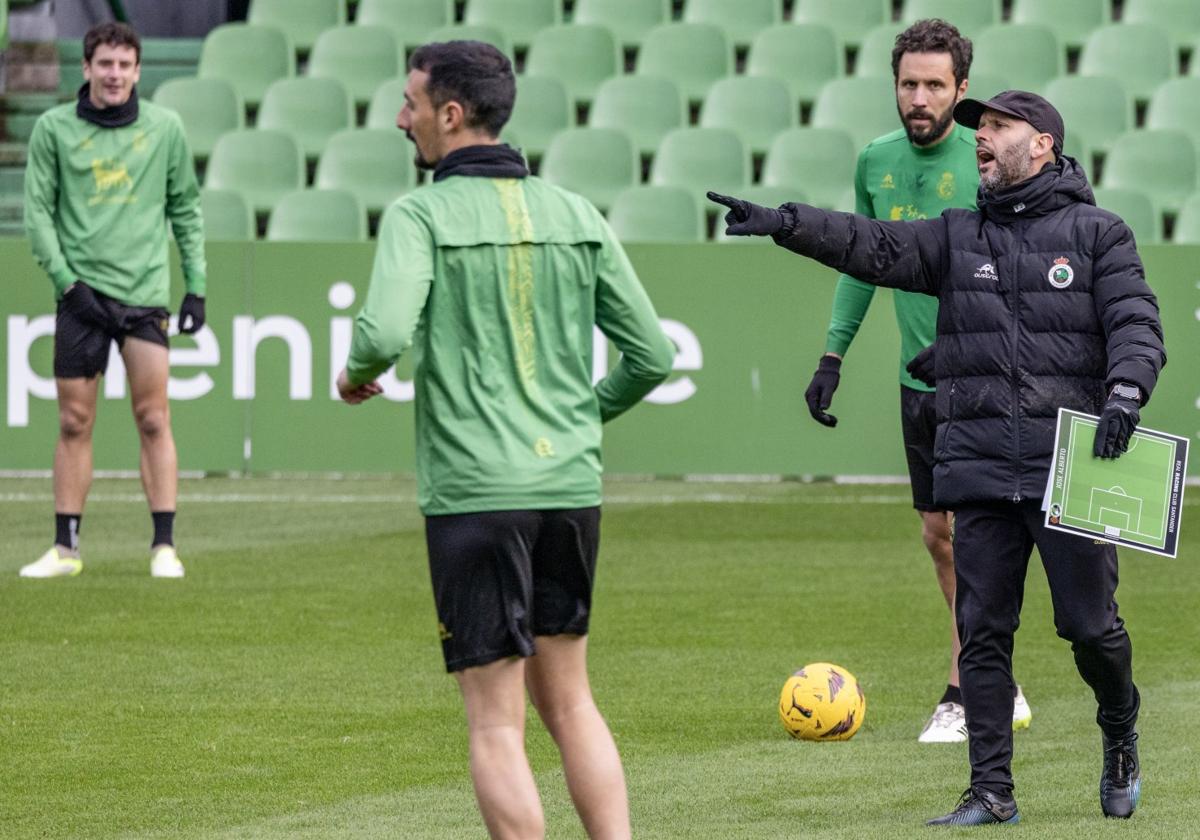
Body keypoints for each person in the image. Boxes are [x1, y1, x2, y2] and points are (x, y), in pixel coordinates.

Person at [709, 89, 1165, 825]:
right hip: (980, 461)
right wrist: (785, 224)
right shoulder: (957, 235)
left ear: (1042, 144)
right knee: (981, 635)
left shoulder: (1098, 234)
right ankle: (991, 790)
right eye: (976, 128)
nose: (978, 137)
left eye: (995, 127)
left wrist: (1125, 393)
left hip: (1067, 465)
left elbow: (1136, 322)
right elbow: (872, 246)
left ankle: (1119, 728)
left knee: (1090, 628)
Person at [335, 40, 674, 840]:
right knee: (571, 699)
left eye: (410, 103)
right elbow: (652, 356)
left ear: (449, 116)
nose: (400, 117)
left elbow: (382, 330)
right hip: (569, 490)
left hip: (476, 493)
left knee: (495, 722)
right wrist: (579, 420)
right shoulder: (574, 211)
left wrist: (355, 373)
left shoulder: (420, 214)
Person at [802, 18, 1030, 743]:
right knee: (939, 533)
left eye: (936, 84)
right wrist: (832, 355)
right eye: (909, 84)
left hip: (991, 379)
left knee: (980, 533)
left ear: (963, 90)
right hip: (919, 381)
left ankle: (969, 687)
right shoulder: (876, 163)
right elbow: (862, 262)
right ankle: (1002, 683)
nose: (920, 97)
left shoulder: (990, 159)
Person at [21, 21, 206, 579]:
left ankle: (164, 546)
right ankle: (66, 549)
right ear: (86, 68)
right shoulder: (53, 129)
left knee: (154, 418)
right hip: (82, 298)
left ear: (138, 70)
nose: (115, 74)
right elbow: (37, 214)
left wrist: (196, 283)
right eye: (105, 64)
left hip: (145, 297)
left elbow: (186, 209)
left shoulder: (165, 128)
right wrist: (67, 283)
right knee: (74, 422)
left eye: (125, 65)